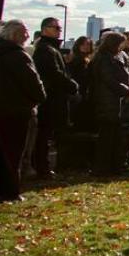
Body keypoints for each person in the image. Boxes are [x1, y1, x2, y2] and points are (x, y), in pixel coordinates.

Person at [0, 21, 45, 201]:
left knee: (1, 150)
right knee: (17, 152)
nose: (27, 35)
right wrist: (40, 97)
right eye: (24, 32)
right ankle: (12, 191)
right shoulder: (18, 56)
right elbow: (32, 82)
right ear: (15, 34)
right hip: (20, 109)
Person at [31, 16, 78, 178]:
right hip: (49, 98)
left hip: (55, 96)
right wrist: (71, 85)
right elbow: (53, 73)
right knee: (44, 135)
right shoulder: (45, 49)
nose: (59, 31)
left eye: (60, 28)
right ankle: (42, 167)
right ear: (45, 29)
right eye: (56, 28)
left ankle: (43, 166)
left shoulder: (51, 48)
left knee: (47, 133)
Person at [89, 31, 129, 176]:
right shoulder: (103, 58)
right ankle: (103, 167)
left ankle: (115, 166)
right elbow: (109, 80)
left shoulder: (118, 56)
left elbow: (126, 75)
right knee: (107, 137)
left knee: (116, 137)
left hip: (118, 102)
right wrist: (128, 91)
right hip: (108, 101)